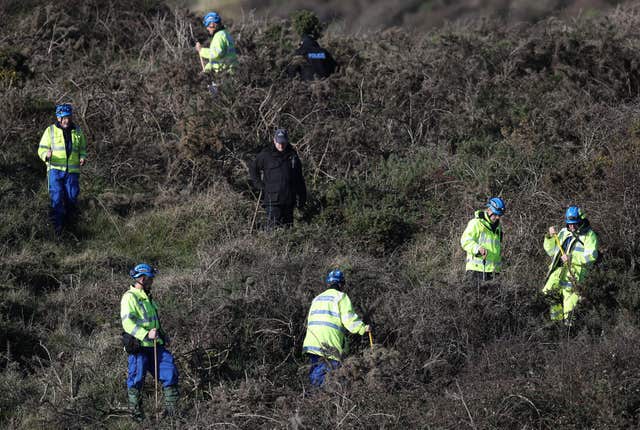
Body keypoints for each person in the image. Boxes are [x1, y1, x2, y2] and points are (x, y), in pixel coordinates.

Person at [120, 264, 179, 421]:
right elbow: (128, 323)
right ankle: (138, 419)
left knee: (170, 371)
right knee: (136, 380)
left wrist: (162, 334)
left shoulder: (147, 297)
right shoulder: (129, 297)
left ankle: (173, 416)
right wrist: (146, 334)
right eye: (151, 278)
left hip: (156, 346)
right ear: (143, 278)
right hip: (139, 347)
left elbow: (154, 322)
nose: (152, 281)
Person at [302, 269, 370, 387]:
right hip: (329, 344)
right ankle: (326, 401)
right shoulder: (341, 297)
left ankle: (312, 400)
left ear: (328, 283)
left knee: (316, 373)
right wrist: (363, 328)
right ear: (341, 284)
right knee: (332, 377)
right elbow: (349, 320)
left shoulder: (317, 298)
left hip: (311, 343)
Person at [37, 103, 87, 236]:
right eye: (64, 117)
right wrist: (46, 155)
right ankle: (57, 231)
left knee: (71, 198)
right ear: (58, 118)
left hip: (72, 172)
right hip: (55, 171)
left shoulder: (77, 131)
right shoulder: (50, 131)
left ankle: (71, 229)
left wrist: (82, 157)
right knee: (57, 198)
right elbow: (41, 149)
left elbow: (82, 148)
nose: (67, 120)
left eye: (69, 117)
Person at [542, 206, 599, 323]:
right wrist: (549, 237)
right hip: (558, 273)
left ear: (581, 221)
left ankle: (569, 333)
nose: (571, 226)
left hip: (575, 277)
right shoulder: (564, 232)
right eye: (569, 224)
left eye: (574, 223)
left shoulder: (590, 235)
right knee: (548, 294)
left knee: (570, 311)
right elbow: (551, 251)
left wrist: (572, 258)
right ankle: (556, 325)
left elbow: (592, 256)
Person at [249, 128, 307, 229]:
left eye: (283, 142)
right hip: (272, 200)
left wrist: (302, 196)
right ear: (274, 140)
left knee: (288, 230)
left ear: (287, 141)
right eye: (279, 142)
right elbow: (253, 168)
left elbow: (299, 177)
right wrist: (259, 185)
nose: (281, 145)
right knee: (272, 228)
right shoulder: (266, 154)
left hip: (289, 200)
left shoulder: (293, 155)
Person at [460, 197, 505, 288]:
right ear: (489, 210)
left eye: (500, 215)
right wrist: (478, 248)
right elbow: (465, 240)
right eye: (496, 214)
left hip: (494, 273)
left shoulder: (498, 228)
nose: (497, 217)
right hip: (476, 271)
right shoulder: (476, 223)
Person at [195, 12, 238, 76]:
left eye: (207, 25)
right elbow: (216, 60)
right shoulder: (224, 33)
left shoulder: (219, 36)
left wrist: (201, 50)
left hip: (225, 74)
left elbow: (216, 53)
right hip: (229, 71)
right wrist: (207, 70)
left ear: (213, 24)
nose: (207, 28)